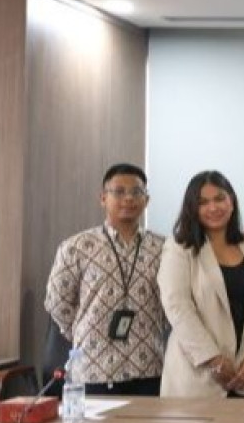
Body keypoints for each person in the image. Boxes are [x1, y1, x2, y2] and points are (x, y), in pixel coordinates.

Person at [44, 163, 167, 395]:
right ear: (103, 198)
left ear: (147, 200)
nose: (129, 198)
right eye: (119, 192)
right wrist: (86, 331)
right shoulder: (76, 247)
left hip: (149, 368)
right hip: (94, 370)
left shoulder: (163, 248)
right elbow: (57, 303)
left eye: (137, 192)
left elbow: (170, 304)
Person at [158, 171, 244, 398]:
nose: (213, 207)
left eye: (220, 198)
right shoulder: (179, 248)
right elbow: (178, 307)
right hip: (196, 379)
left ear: (231, 201)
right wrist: (212, 358)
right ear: (192, 208)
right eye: (203, 202)